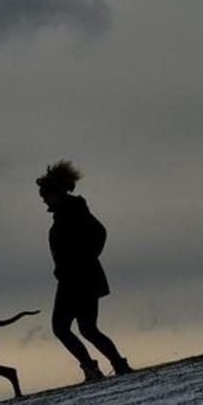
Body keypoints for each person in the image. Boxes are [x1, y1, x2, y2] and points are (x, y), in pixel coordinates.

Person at [36, 160, 132, 381]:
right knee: (87, 328)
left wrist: (82, 260)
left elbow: (98, 233)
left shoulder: (71, 212)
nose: (43, 200)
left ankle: (93, 368)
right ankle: (116, 365)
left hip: (76, 280)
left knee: (62, 327)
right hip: (81, 278)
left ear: (55, 193)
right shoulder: (69, 211)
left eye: (45, 196)